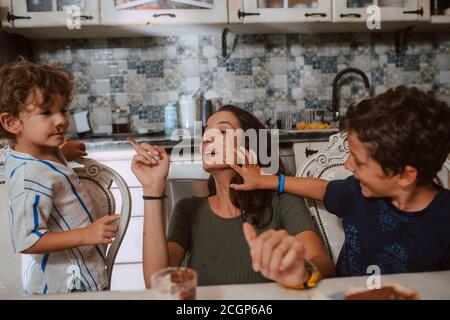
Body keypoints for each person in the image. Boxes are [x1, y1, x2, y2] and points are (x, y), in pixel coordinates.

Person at [230, 86, 450, 276]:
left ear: (405, 175)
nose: (347, 165)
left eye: (360, 162)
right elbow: (323, 188)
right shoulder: (357, 193)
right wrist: (266, 180)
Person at [130, 105, 336, 289]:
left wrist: (302, 270)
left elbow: (323, 263)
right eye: (206, 132)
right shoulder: (188, 210)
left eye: (222, 131)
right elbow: (155, 281)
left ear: (250, 147)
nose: (208, 138)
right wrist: (153, 189)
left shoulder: (284, 202)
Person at [0, 59, 119, 294]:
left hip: (81, 271)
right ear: (12, 122)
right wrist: (87, 234)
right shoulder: (30, 176)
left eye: (63, 110)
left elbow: (46, 171)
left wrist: (62, 152)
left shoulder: (38, 152)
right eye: (46, 113)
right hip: (66, 285)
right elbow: (28, 240)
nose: (62, 120)